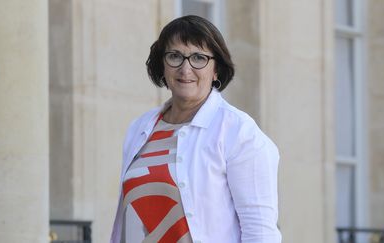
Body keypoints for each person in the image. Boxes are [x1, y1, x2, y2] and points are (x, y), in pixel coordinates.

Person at [110, 15, 281, 243]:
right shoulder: (140, 128)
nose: (185, 68)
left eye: (199, 58)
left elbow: (260, 232)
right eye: (175, 56)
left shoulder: (238, 132)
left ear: (216, 70)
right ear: (162, 64)